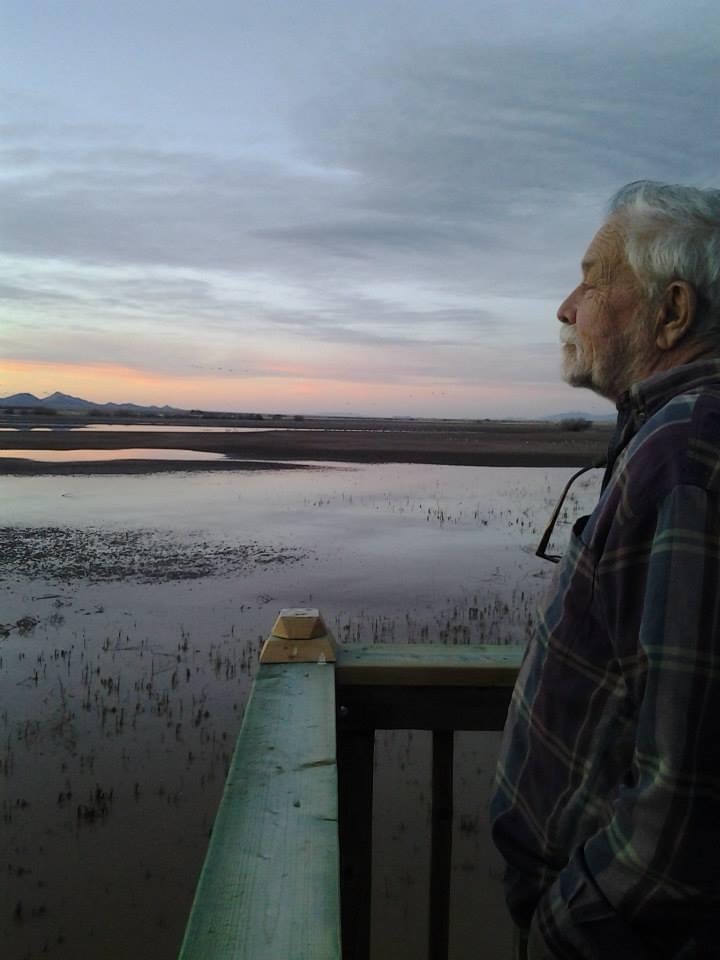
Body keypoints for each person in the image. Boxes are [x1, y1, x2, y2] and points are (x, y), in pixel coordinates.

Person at [490, 181, 720, 959]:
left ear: (671, 312)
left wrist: (564, 929)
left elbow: (684, 800)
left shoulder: (688, 453)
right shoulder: (671, 435)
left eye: (592, 282)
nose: (565, 307)